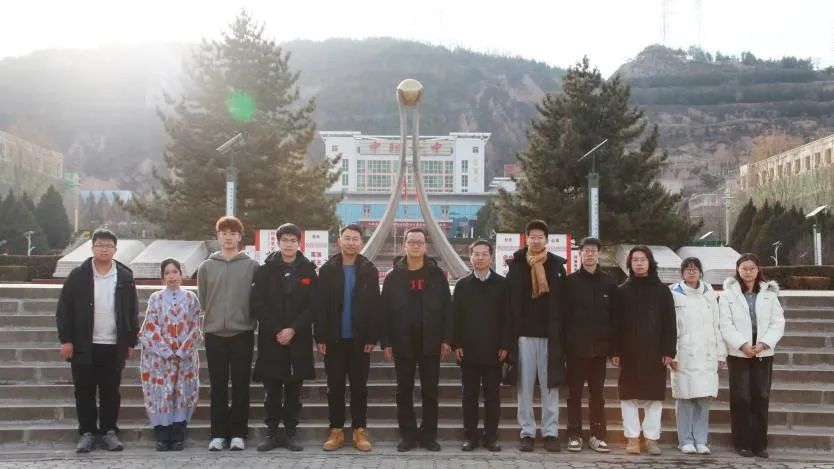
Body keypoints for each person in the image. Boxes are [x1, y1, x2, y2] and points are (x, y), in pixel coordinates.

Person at [56, 228, 139, 453]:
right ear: (92, 248)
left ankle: (109, 431)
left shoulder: (125, 276)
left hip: (113, 344)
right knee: (84, 391)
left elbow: (132, 311)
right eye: (100, 245)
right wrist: (66, 340)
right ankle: (87, 433)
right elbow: (64, 309)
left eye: (108, 245)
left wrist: (130, 341)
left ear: (115, 249)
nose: (104, 249)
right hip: (84, 345)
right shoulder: (78, 275)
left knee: (111, 391)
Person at [381, 227, 453, 452]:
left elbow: (447, 309)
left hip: (430, 342)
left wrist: (447, 339)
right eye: (411, 242)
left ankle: (429, 436)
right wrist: (386, 342)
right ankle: (408, 436)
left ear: (425, 246)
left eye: (419, 242)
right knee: (404, 391)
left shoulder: (437, 274)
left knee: (430, 391)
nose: (415, 245)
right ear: (404, 245)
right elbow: (384, 312)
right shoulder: (393, 276)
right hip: (402, 343)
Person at [251, 223, 318, 452]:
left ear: (299, 243)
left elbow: (314, 306)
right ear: (278, 242)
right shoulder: (265, 270)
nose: (289, 244)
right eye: (285, 240)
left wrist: (293, 329)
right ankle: (271, 433)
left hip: (298, 339)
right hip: (272, 339)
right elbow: (257, 303)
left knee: (293, 391)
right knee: (271, 391)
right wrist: (278, 330)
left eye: (293, 240)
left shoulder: (309, 270)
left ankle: (290, 433)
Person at [315, 224, 380, 452]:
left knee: (360, 388)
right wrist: (320, 336)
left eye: (355, 239)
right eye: (347, 238)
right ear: (339, 241)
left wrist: (372, 336)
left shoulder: (369, 269)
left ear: (361, 242)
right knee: (335, 387)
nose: (351, 242)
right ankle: (336, 431)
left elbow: (375, 305)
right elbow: (320, 306)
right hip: (334, 340)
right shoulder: (328, 269)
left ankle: (359, 431)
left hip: (360, 341)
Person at [197, 216, 260, 451]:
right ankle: (218, 434)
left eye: (233, 233)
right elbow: (203, 299)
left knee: (241, 384)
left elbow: (256, 299)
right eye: (224, 233)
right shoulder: (206, 266)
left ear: (239, 237)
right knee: (218, 385)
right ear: (218, 236)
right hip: (214, 333)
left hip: (242, 332)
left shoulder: (251, 266)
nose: (228, 237)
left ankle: (238, 434)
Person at [506, 219, 566, 453]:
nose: (536, 240)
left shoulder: (556, 266)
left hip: (551, 335)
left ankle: (550, 433)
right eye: (532, 237)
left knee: (551, 387)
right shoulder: (517, 265)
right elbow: (509, 303)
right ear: (527, 239)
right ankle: (527, 432)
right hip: (524, 336)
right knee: (525, 387)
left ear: (547, 240)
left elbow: (564, 303)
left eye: (540, 237)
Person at [611, 245, 676, 456]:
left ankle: (651, 439)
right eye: (635, 260)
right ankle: (632, 439)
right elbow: (615, 324)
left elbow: (670, 323)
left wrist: (669, 351)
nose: (639, 263)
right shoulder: (622, 291)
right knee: (628, 396)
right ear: (629, 264)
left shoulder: (662, 291)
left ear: (650, 262)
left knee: (653, 398)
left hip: (655, 351)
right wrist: (615, 351)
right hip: (629, 351)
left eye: (643, 259)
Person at [719, 253, 785, 459]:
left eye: (752, 268)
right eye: (744, 268)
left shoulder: (769, 294)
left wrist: (763, 343)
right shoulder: (728, 295)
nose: (748, 272)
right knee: (741, 397)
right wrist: (742, 345)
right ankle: (742, 443)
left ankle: (759, 444)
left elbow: (778, 323)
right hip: (739, 353)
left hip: (763, 351)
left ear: (758, 270)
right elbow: (725, 324)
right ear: (738, 270)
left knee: (761, 396)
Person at [452, 240, 510, 452]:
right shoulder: (462, 285)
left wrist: (505, 344)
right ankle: (470, 436)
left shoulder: (502, 284)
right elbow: (455, 317)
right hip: (468, 350)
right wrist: (456, 344)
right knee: (469, 396)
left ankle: (491, 437)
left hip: (494, 351)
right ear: (470, 257)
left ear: (491, 257)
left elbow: (508, 317)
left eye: (484, 254)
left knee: (492, 397)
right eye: (476, 254)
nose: (480, 258)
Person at [139, 258, 202, 451]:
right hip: (160, 360)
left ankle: (178, 434)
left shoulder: (191, 298)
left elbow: (196, 327)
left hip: (185, 358)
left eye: (175, 272)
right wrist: (166, 351)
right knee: (161, 393)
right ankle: (162, 435)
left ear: (181, 275)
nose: (171, 276)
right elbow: (150, 327)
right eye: (167, 273)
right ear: (162, 277)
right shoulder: (155, 298)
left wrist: (182, 350)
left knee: (183, 392)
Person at [563, 237, 616, 453]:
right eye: (586, 250)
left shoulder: (609, 282)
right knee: (574, 394)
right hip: (575, 349)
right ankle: (574, 435)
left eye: (593, 250)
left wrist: (613, 347)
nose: (590, 254)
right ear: (580, 254)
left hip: (600, 351)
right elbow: (563, 317)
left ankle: (597, 435)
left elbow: (614, 317)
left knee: (597, 395)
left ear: (598, 253)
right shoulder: (570, 282)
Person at [669, 257, 725, 455]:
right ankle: (685, 440)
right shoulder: (674, 293)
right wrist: (672, 355)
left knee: (704, 398)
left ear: (701, 272)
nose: (691, 272)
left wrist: (720, 354)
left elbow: (717, 324)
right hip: (684, 353)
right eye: (688, 269)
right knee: (685, 398)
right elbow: (670, 327)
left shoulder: (709, 292)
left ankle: (701, 440)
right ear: (682, 273)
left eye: (695, 269)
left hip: (707, 353)